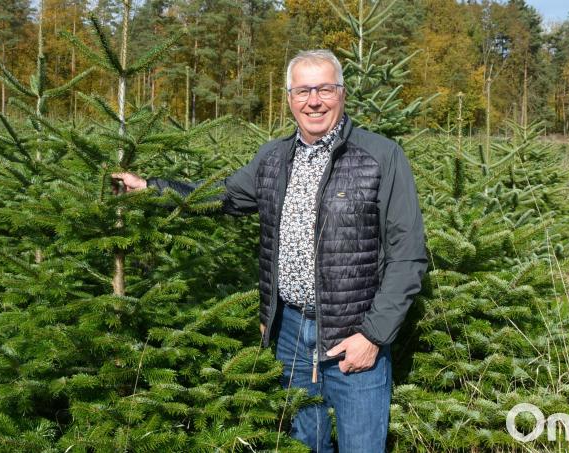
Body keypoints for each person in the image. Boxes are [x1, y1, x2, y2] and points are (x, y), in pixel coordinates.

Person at [112, 49, 426, 452]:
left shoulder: (381, 156)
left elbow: (408, 255)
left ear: (342, 93)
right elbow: (222, 196)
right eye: (303, 91)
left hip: (354, 334)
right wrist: (153, 188)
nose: (314, 100)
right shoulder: (274, 158)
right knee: (301, 444)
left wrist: (374, 334)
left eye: (325, 89)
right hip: (289, 333)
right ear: (289, 98)